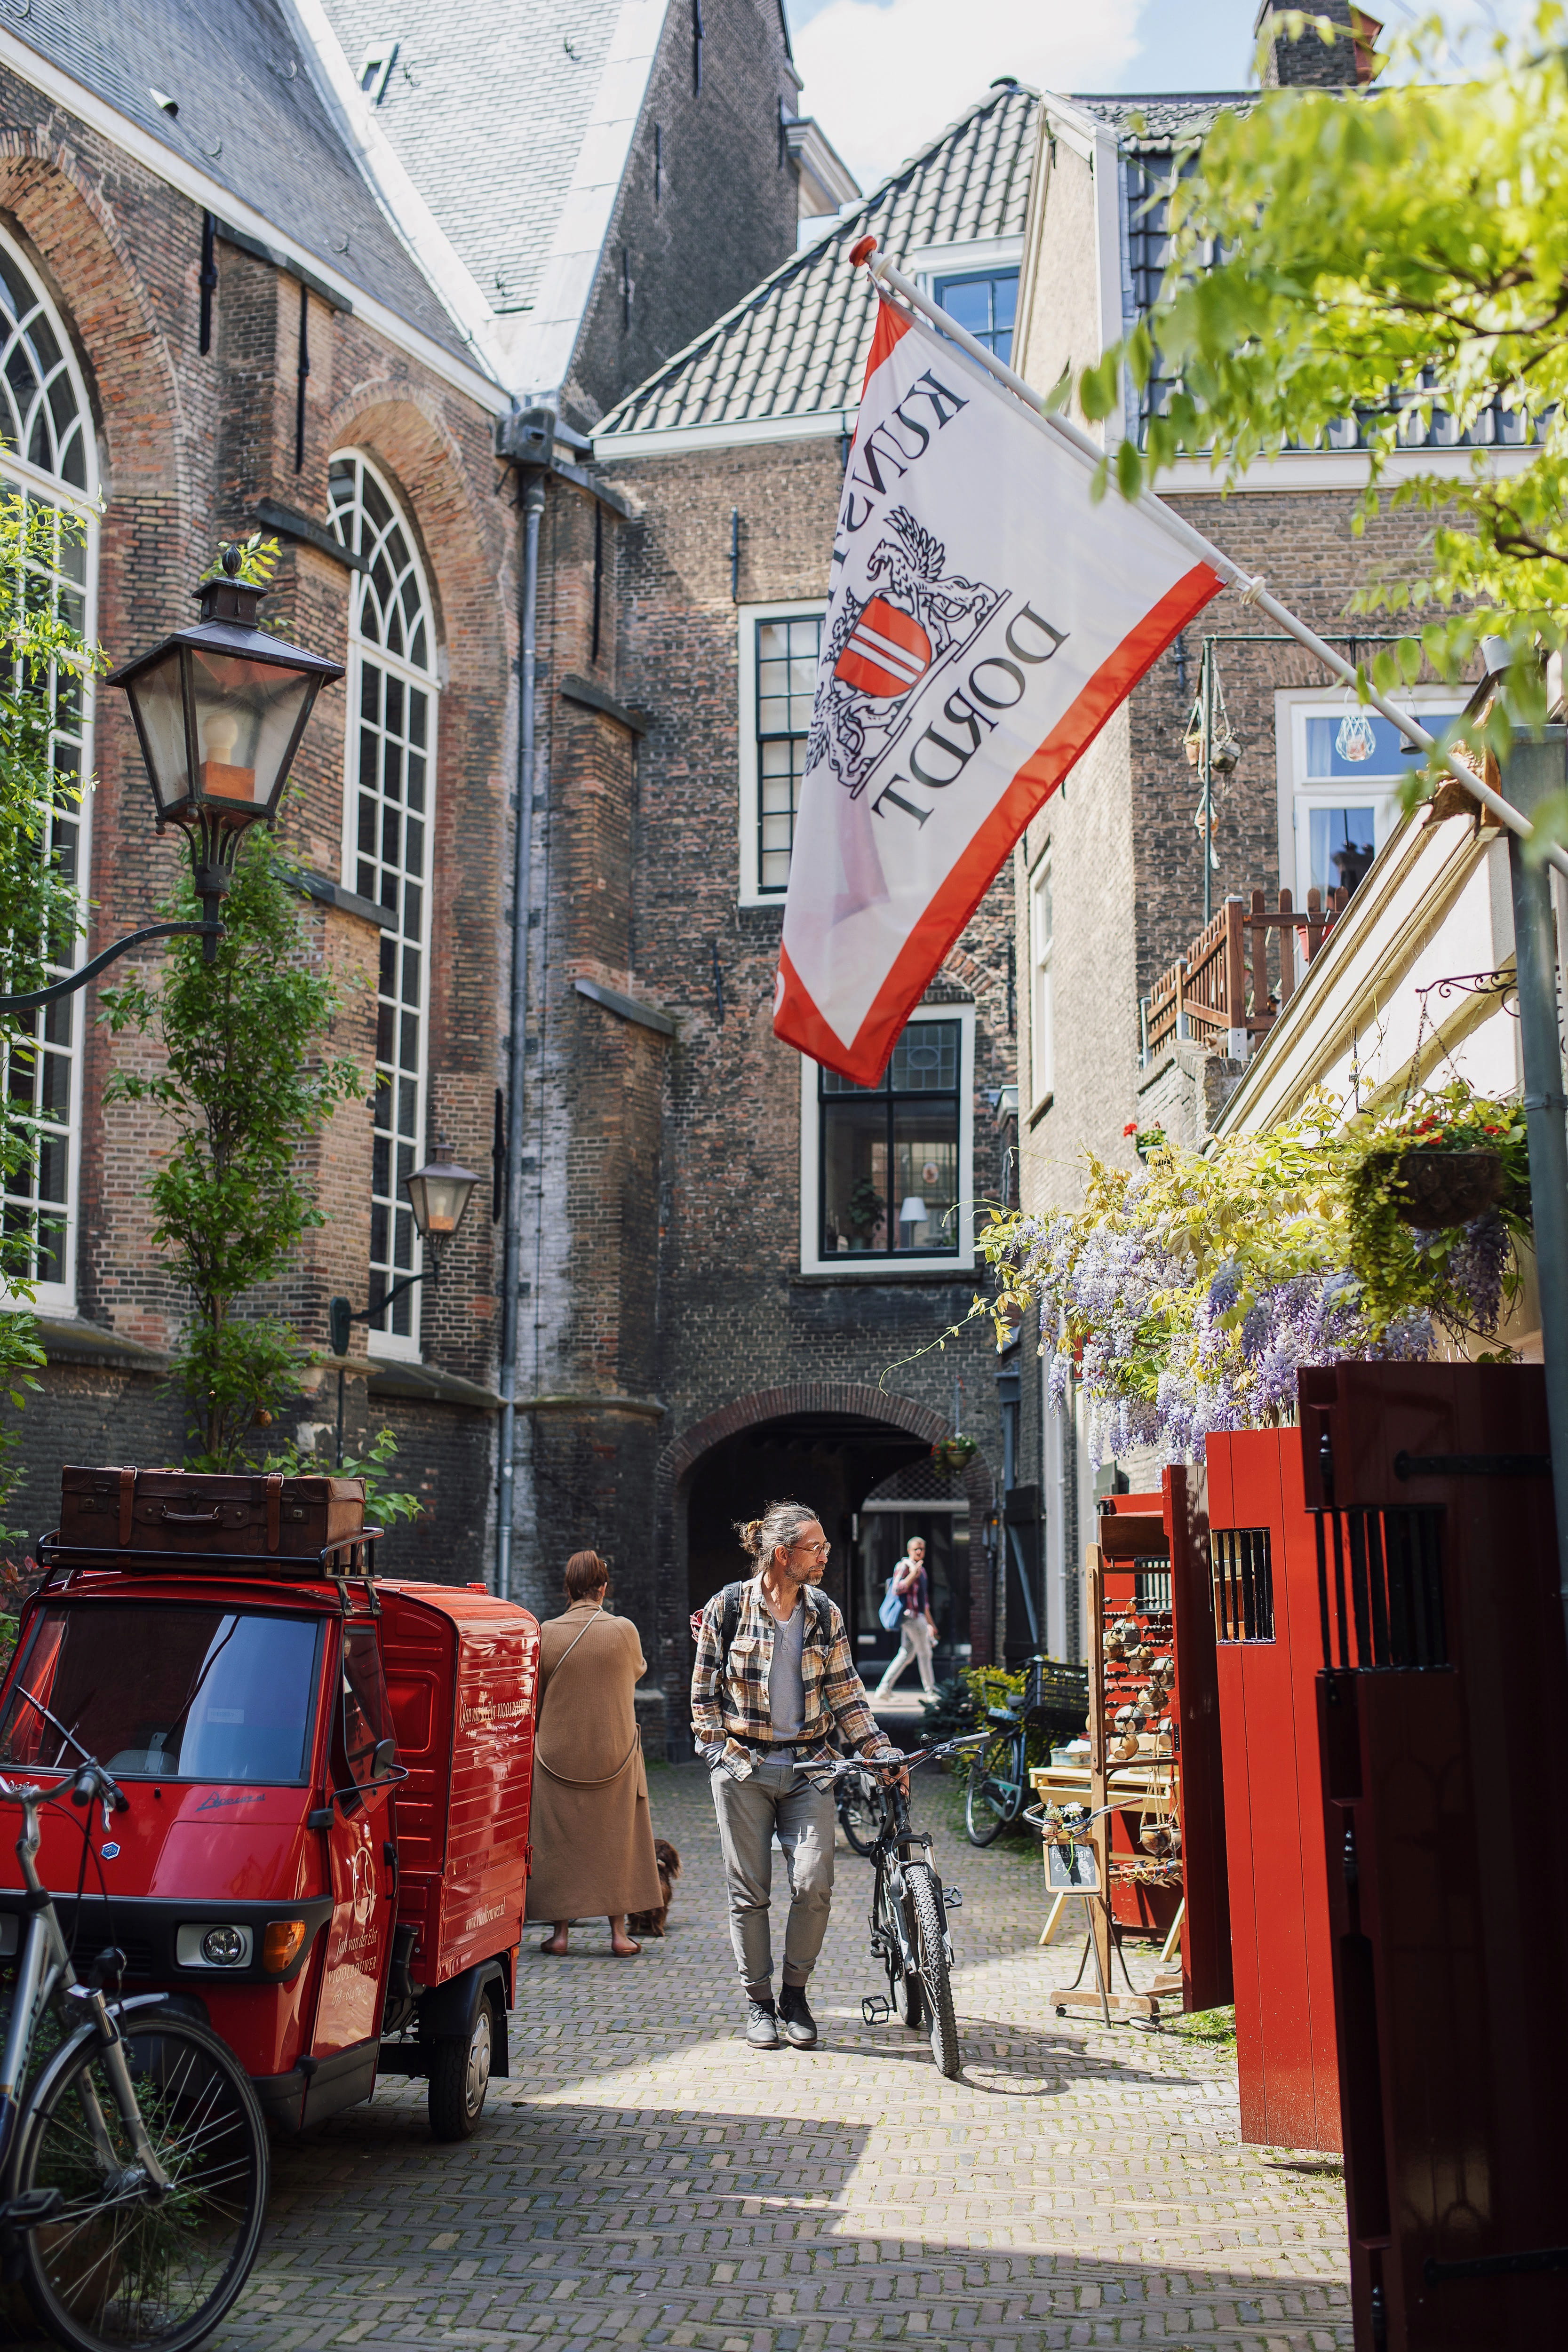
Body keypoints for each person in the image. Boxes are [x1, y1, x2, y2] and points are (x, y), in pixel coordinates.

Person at [691, 1499, 902, 2050]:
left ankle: (795, 1994)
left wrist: (879, 1750)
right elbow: (702, 1696)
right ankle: (759, 2004)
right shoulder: (728, 1607)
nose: (826, 1555)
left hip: (811, 1767)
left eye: (826, 1546)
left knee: (813, 1883)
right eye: (817, 1547)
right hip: (745, 1768)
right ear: (783, 1554)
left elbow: (847, 1693)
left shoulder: (823, 1611)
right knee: (749, 1892)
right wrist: (722, 1757)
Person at [527, 1549, 663, 1958]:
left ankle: (561, 1934)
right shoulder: (624, 1630)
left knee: (558, 1843)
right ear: (604, 1587)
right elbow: (637, 1670)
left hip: (556, 1755)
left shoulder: (547, 1632)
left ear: (566, 1588)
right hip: (614, 1754)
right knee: (617, 1839)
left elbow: (537, 1689)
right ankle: (619, 1935)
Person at [874, 1536, 939, 1698]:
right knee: (925, 1653)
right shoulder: (905, 1566)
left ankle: (884, 1689)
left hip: (918, 1616)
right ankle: (931, 1692)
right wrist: (912, 1575)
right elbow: (897, 1588)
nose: (919, 1552)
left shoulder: (922, 1570)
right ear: (909, 1550)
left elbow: (925, 1602)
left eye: (922, 1549)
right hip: (910, 1617)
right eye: (916, 1549)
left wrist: (931, 1623)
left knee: (907, 1654)